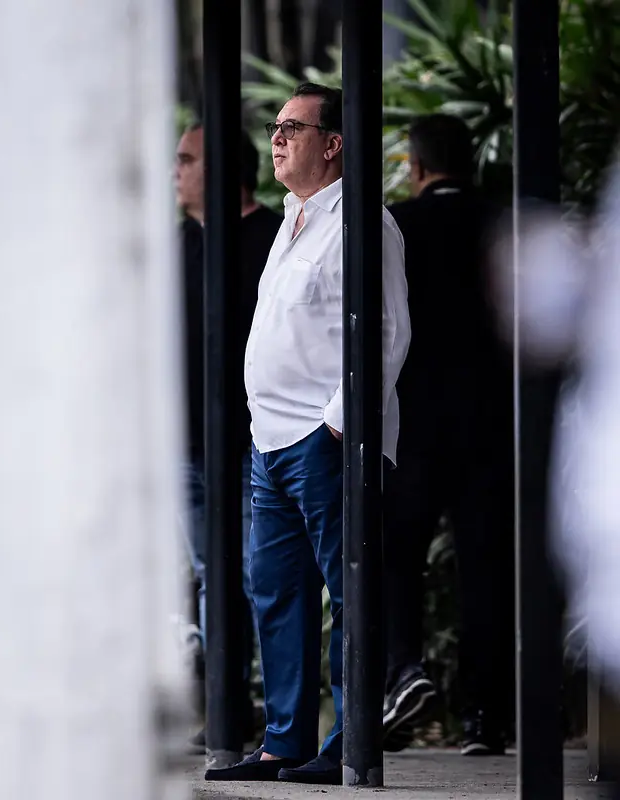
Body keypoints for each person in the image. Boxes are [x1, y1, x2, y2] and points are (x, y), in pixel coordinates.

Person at [205, 82, 411, 784]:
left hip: (325, 439)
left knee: (349, 592)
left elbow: (388, 332)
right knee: (276, 593)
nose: (277, 137)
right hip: (270, 441)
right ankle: (284, 742)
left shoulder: (362, 221)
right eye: (276, 125)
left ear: (333, 144)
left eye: (293, 127)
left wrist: (337, 425)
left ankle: (349, 744)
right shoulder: (294, 217)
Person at [382, 114, 515, 755]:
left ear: (416, 167)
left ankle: (402, 680)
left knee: (396, 558)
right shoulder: (505, 223)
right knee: (486, 570)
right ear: (472, 162)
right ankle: (486, 717)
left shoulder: (396, 226)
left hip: (413, 423)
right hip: (491, 422)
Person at [175, 124, 282, 752]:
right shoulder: (174, 245)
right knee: (208, 574)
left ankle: (277, 714)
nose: (176, 172)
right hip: (185, 444)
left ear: (219, 169)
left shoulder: (274, 238)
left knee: (252, 573)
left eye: (186, 160)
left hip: (253, 441)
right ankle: (228, 711)